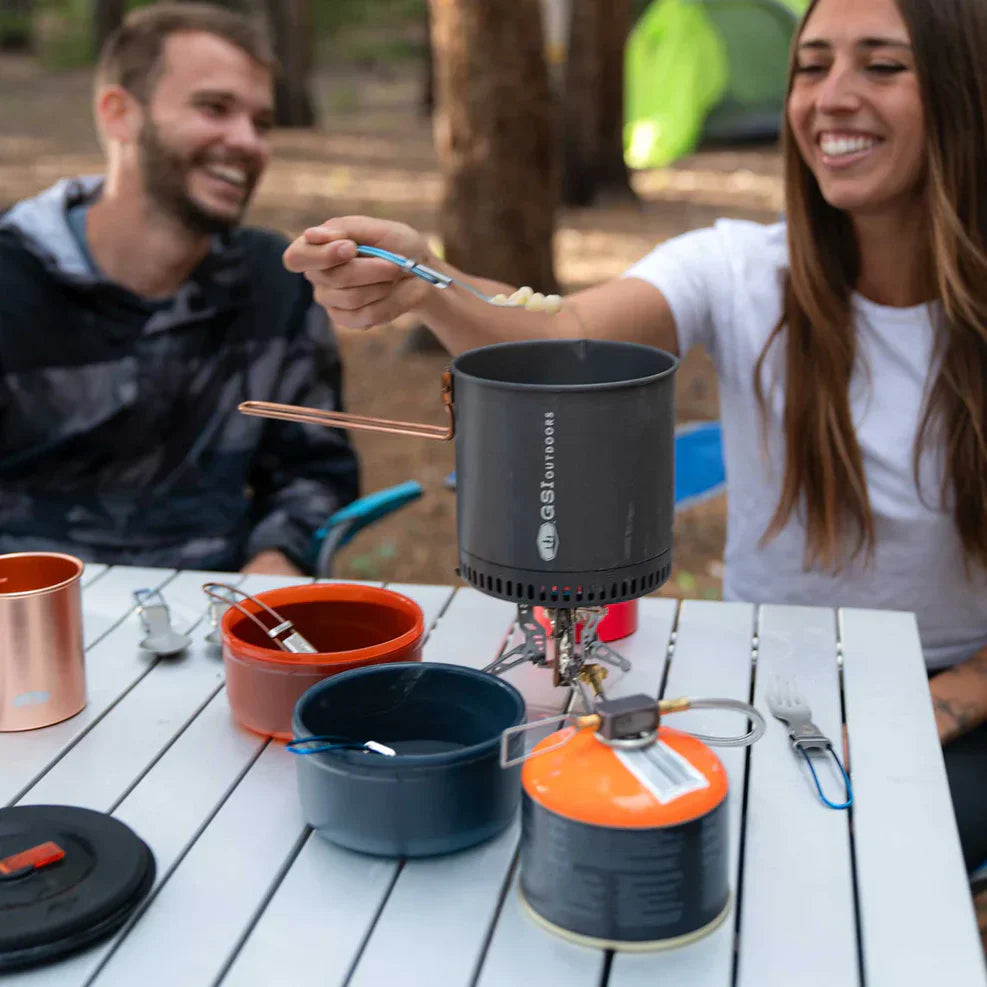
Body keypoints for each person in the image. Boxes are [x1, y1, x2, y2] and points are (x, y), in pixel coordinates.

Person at [284, 0, 987, 873]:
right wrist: (425, 283)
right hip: (763, 677)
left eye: (882, 66)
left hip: (953, 688)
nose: (831, 96)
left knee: (862, 866)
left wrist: (941, 704)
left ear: (963, 91)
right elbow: (565, 337)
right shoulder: (734, 268)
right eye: (810, 66)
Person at [0, 3, 359, 577]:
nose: (247, 141)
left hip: (217, 603)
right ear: (120, 114)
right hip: (28, 605)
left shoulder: (274, 283)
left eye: (261, 123)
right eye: (214, 108)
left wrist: (277, 559)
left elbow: (314, 471)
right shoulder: (12, 277)